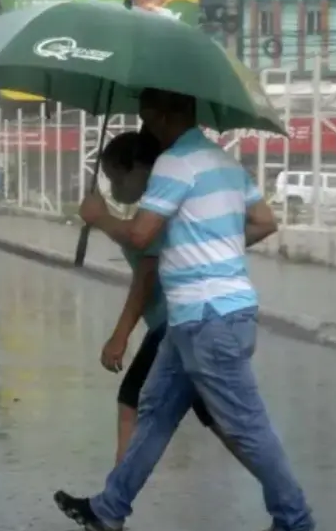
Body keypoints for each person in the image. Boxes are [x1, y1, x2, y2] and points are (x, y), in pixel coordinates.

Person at [54, 89, 319, 531]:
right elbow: (263, 222)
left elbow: (140, 236)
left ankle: (295, 526)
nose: (142, 119)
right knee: (154, 412)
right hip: (195, 318)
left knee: (245, 426)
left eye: (145, 111)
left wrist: (101, 217)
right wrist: (214, 243)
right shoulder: (224, 162)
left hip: (208, 318)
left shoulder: (174, 164)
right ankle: (108, 509)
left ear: (160, 114)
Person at [91, 131, 247, 469]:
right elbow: (135, 242)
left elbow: (146, 277)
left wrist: (119, 337)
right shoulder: (157, 205)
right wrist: (102, 220)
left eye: (115, 177)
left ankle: (111, 502)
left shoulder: (159, 207)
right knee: (222, 420)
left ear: (136, 169)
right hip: (189, 319)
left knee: (131, 403)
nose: (113, 186)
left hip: (175, 320)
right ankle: (280, 488)